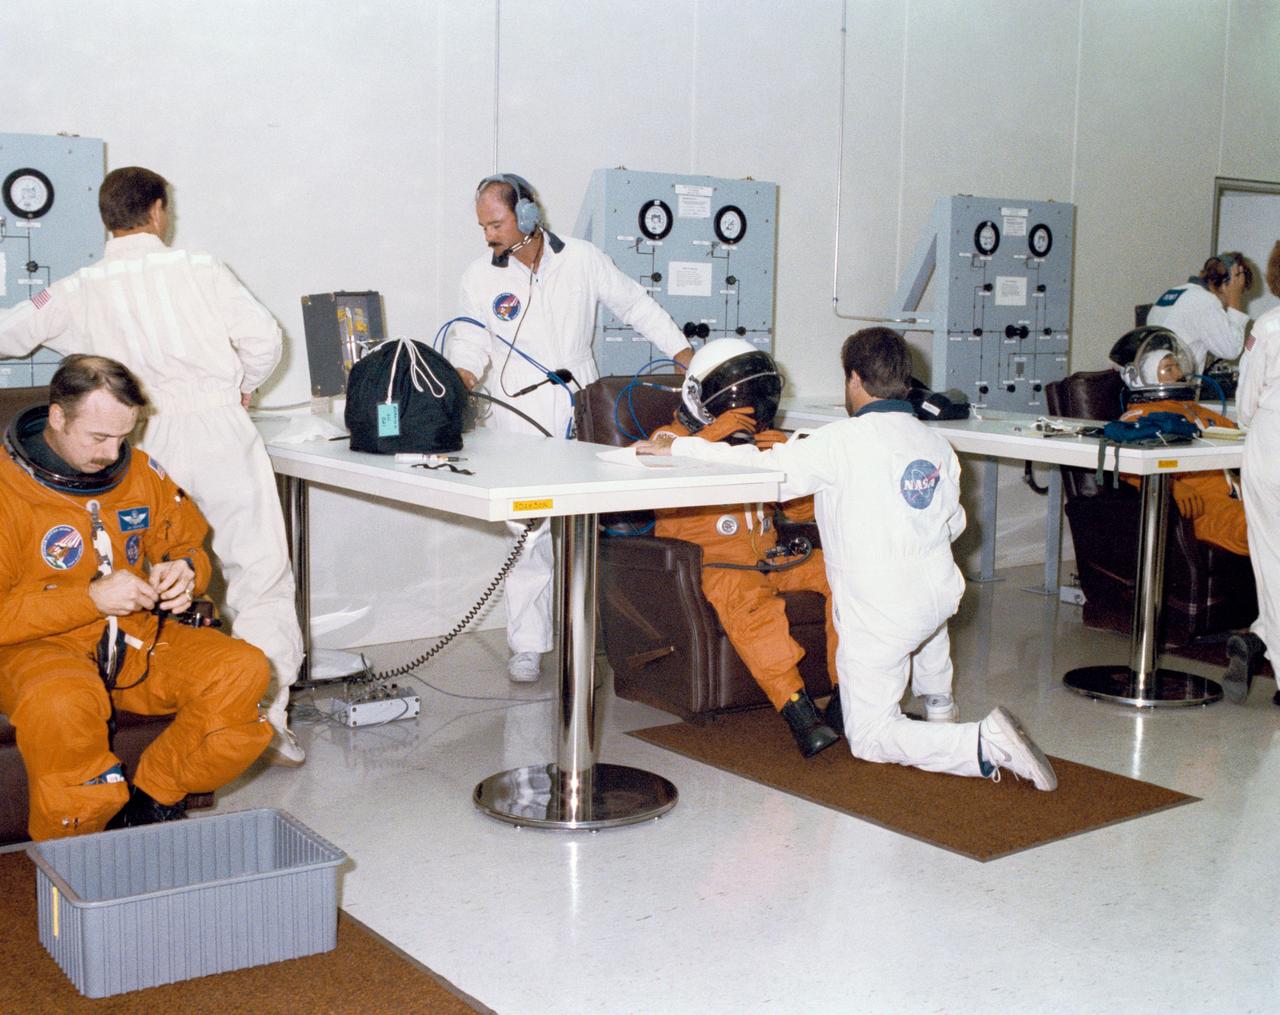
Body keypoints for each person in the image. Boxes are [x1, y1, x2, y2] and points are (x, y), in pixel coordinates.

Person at [637, 328, 1057, 789]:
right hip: (939, 592)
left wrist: (694, 447)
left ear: (854, 380)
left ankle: (982, 742)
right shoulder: (938, 444)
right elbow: (953, 523)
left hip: (880, 610)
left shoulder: (836, 442)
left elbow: (763, 474)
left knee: (871, 739)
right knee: (927, 614)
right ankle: (939, 708)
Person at [0, 167, 305, 764]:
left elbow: (9, 334)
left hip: (134, 441)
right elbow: (265, 340)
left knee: (148, 572)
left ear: (105, 219)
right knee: (259, 574)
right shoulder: (201, 268)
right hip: (219, 429)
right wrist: (242, 386)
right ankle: (268, 720)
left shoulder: (78, 287)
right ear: (159, 212)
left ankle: (182, 714)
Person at [0, 356, 271, 839]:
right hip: (35, 649)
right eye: (98, 437)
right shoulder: (6, 491)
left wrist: (185, 573)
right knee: (63, 706)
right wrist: (90, 599)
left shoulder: (141, 473)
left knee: (242, 669)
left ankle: (152, 801)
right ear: (58, 417)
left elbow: (187, 543)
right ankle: (75, 857)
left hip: (133, 640)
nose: (112, 452)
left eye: (123, 436)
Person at [447, 173, 694, 683]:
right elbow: (471, 338)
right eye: (483, 226)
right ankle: (528, 644)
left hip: (583, 409)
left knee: (591, 529)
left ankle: (596, 634)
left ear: (529, 215)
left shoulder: (581, 259)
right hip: (520, 416)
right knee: (529, 533)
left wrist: (684, 353)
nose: (489, 235)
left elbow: (635, 305)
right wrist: (462, 374)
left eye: (497, 222)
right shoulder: (479, 276)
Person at [647, 339, 841, 758]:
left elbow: (804, 509)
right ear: (701, 397)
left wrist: (785, 462)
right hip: (716, 563)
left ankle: (847, 698)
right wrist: (715, 440)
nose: (745, 413)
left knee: (843, 573)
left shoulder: (762, 444)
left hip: (773, 558)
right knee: (750, 606)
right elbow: (645, 481)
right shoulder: (670, 437)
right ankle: (799, 712)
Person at [1111, 326, 1248, 557]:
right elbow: (1128, 464)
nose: (1179, 373)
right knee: (1262, 529)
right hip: (1204, 503)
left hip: (1240, 492)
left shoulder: (1195, 410)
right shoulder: (1140, 417)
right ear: (1142, 375)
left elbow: (1239, 434)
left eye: (1177, 365)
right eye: (1168, 368)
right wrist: (1172, 486)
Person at [1229, 240, 1280, 707]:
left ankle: (1269, 646)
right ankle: (1261, 636)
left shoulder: (1268, 326)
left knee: (1272, 560)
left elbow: (1245, 405)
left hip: (1271, 445)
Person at [1146, 252, 1253, 376]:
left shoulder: (1174, 293)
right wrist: (1235, 299)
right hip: (1174, 388)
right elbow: (1231, 350)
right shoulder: (1205, 301)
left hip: (1156, 385)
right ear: (1226, 285)